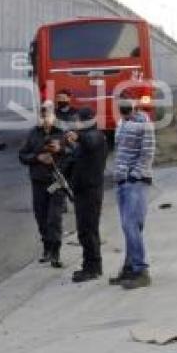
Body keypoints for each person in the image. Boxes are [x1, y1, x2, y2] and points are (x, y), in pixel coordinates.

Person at [110, 98, 155, 290]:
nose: (124, 112)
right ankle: (129, 268)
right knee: (128, 226)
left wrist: (134, 175)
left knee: (131, 225)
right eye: (121, 109)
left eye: (127, 109)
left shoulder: (144, 124)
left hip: (135, 182)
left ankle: (141, 270)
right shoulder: (122, 123)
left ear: (135, 107)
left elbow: (147, 153)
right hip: (122, 181)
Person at [19, 101, 69, 268]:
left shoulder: (62, 133)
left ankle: (56, 252)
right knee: (41, 217)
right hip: (39, 181)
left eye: (47, 114)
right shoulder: (33, 134)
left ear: (53, 115)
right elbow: (22, 155)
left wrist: (60, 149)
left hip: (56, 182)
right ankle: (47, 248)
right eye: (42, 114)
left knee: (54, 218)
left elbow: (73, 153)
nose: (44, 117)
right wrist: (37, 157)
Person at [65, 107, 108, 282]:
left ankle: (92, 267)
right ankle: (90, 265)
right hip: (82, 190)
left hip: (90, 191)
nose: (76, 124)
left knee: (88, 230)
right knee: (85, 230)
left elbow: (90, 141)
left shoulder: (95, 135)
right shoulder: (84, 140)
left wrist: (78, 137)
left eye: (79, 121)